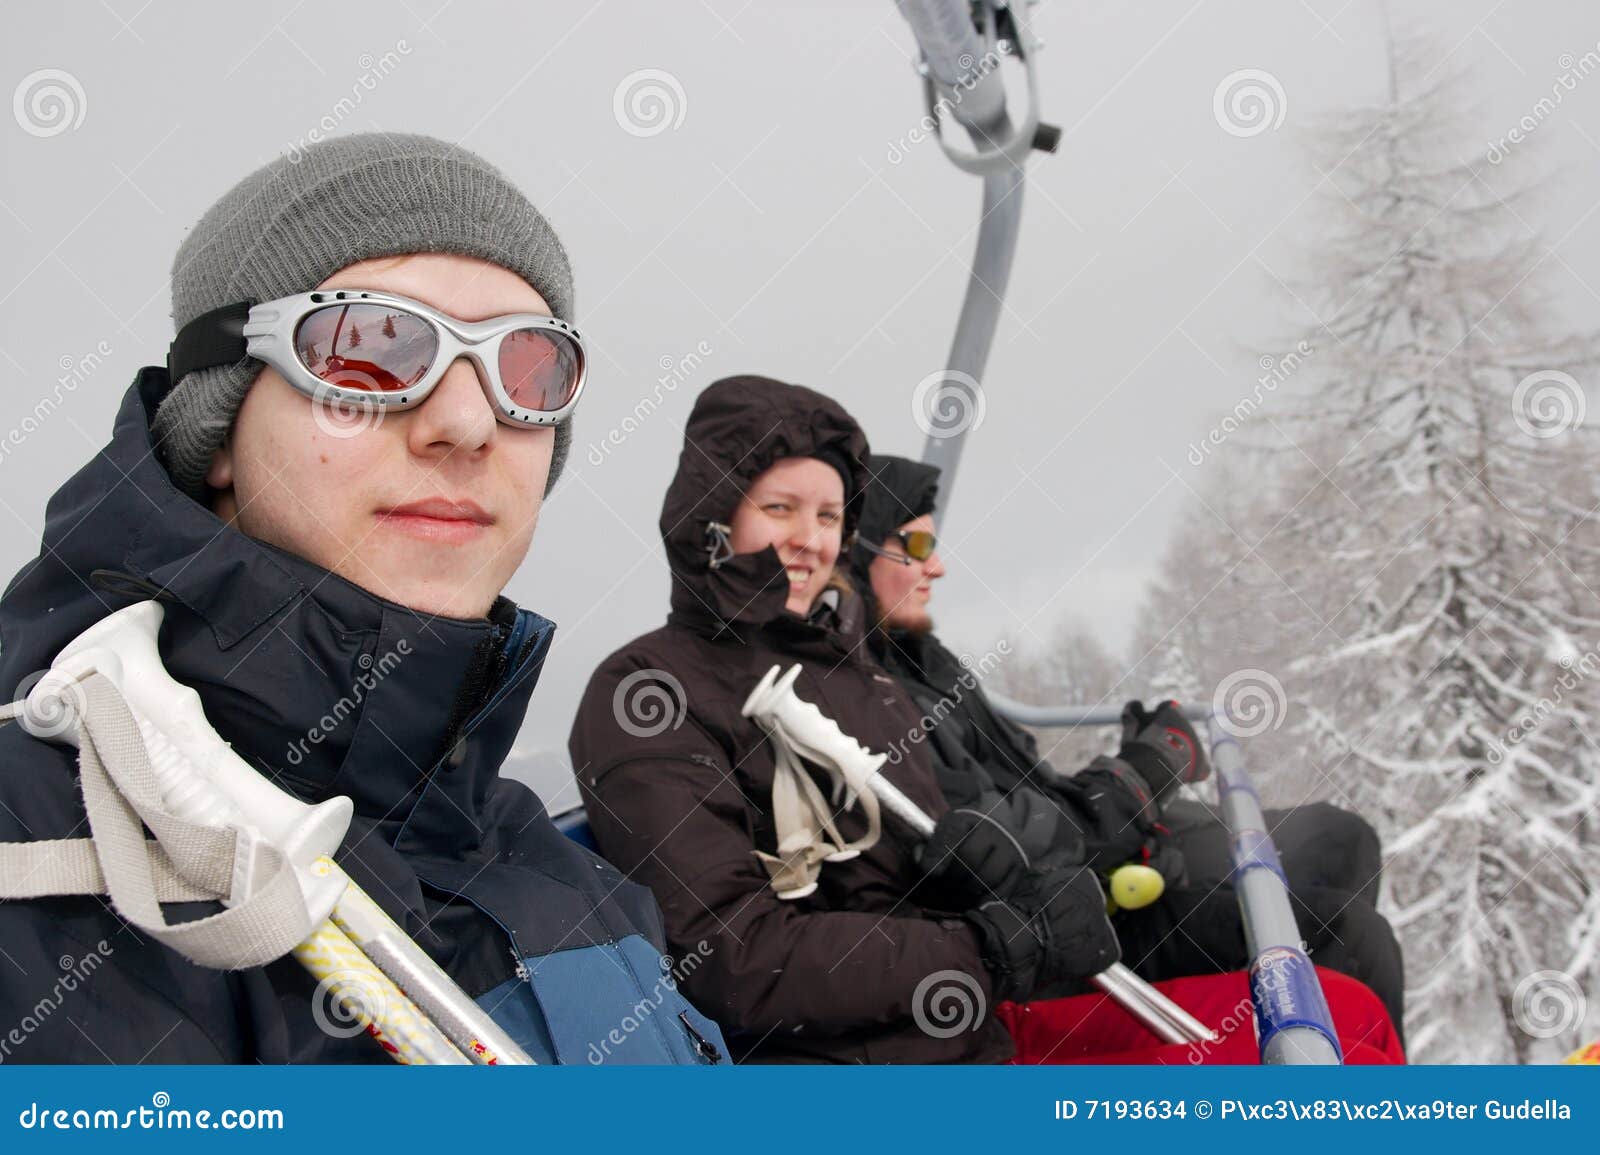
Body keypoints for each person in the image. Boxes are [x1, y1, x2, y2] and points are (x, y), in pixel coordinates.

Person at [0, 133, 725, 1065]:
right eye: (370, 348)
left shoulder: (562, 874)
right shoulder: (36, 859)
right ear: (216, 427)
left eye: (526, 367)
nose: (466, 423)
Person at [568, 375, 1128, 1064]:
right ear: (713, 516)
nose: (810, 540)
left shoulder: (854, 670)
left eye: (830, 516)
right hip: (856, 1069)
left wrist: (963, 869)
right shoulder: (648, 692)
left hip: (972, 1033)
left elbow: (878, 883)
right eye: (780, 507)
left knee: (1278, 1036)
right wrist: (986, 947)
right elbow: (729, 954)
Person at [847, 454, 1405, 1032]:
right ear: (856, 554)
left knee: (1341, 839)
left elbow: (1034, 793)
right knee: (1351, 938)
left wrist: (1142, 813)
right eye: (913, 548)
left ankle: (1335, 1053)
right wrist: (1146, 772)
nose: (936, 567)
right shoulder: (872, 698)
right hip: (1066, 942)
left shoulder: (925, 663)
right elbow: (1016, 841)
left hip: (1095, 888)